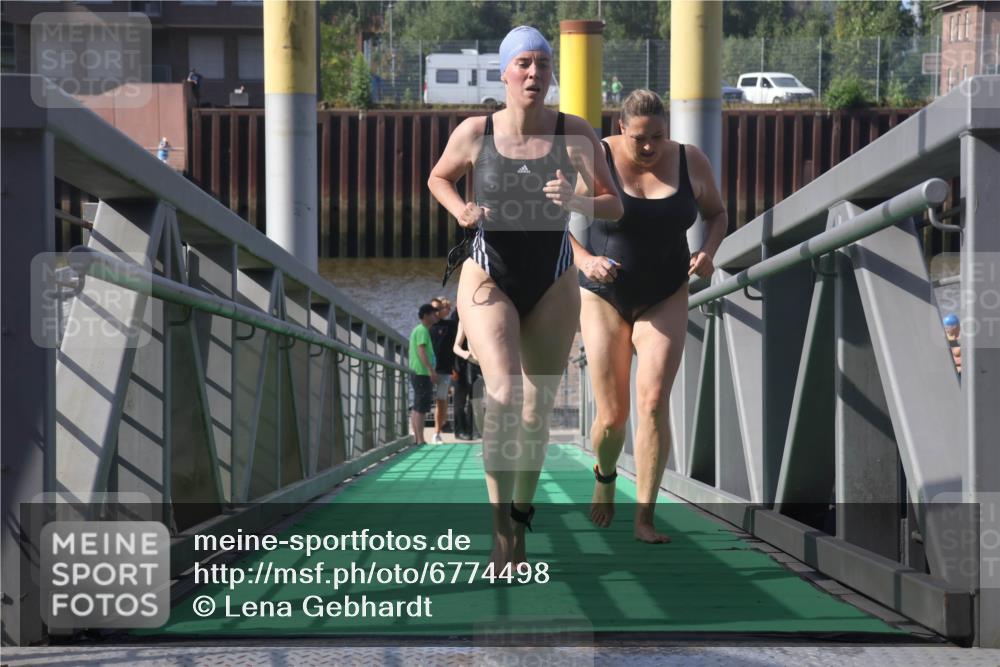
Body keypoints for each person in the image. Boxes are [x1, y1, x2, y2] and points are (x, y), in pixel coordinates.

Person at [427, 25, 623, 567]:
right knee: (504, 395)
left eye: (543, 64)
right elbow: (439, 178)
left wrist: (578, 201)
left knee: (536, 412)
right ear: (505, 73)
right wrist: (462, 210)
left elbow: (614, 204)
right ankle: (499, 531)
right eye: (524, 64)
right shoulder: (476, 132)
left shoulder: (574, 132)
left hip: (554, 278)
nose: (535, 73)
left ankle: (519, 517)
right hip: (488, 274)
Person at [571, 89, 727, 543]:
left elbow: (717, 214)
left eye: (657, 136)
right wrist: (585, 260)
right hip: (603, 295)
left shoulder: (691, 161)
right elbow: (553, 220)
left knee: (655, 401)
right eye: (639, 137)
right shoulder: (597, 156)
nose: (648, 147)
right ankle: (604, 477)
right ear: (621, 128)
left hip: (666, 292)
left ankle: (645, 518)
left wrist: (708, 251)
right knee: (612, 416)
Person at [408, 303, 439, 445]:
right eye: (433, 313)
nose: (435, 316)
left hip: (418, 372)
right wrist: (431, 370)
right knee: (421, 407)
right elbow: (421, 351)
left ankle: (417, 438)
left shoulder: (419, 330)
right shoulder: (422, 330)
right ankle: (420, 439)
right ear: (426, 315)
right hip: (422, 372)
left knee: (417, 406)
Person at [429, 297, 459, 443]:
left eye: (438, 309)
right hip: (427, 370)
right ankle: (418, 435)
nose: (435, 312)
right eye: (433, 309)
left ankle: (437, 432)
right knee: (423, 400)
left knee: (441, 400)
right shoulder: (425, 328)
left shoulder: (449, 325)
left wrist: (454, 368)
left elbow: (458, 318)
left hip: (444, 370)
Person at [452, 319, 483, 440]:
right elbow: (456, 347)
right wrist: (466, 354)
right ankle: (469, 430)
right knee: (472, 398)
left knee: (479, 399)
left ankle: (477, 429)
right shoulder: (464, 320)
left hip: (488, 363)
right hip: (472, 362)